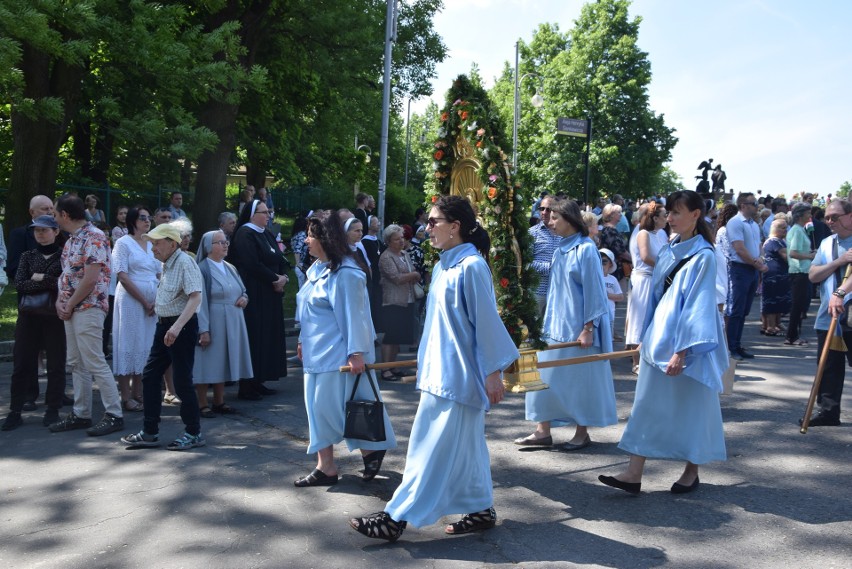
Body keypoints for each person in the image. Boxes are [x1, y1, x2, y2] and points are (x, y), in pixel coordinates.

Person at [350, 195, 519, 541]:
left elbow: (485, 323)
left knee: (428, 449)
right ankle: (481, 507)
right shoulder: (444, 265)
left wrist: (493, 374)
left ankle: (395, 518)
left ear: (455, 227)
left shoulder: (472, 266)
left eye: (433, 221)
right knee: (468, 447)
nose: (426, 228)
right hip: (438, 373)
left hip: (457, 377)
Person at [599, 190, 727, 495]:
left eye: (677, 213)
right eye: (669, 213)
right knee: (646, 405)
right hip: (658, 340)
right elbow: (657, 300)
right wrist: (646, 336)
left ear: (696, 215)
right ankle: (633, 472)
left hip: (687, 346)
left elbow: (698, 306)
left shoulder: (704, 255)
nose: (670, 218)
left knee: (692, 407)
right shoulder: (670, 248)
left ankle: (691, 469)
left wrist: (682, 351)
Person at [294, 211, 396, 487]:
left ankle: (370, 448)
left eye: (311, 236)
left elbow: (356, 316)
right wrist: (303, 339)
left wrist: (357, 353)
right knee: (317, 412)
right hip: (316, 356)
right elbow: (305, 311)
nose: (306, 241)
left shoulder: (347, 274)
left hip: (337, 355)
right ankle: (325, 466)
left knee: (340, 410)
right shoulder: (316, 269)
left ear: (325, 239)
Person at [514, 197, 616, 450]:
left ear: (569, 220)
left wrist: (588, 328)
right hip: (553, 323)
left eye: (555, 217)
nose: (549, 220)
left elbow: (595, 291)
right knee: (544, 375)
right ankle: (542, 431)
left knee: (581, 380)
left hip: (578, 326)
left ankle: (582, 432)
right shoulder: (561, 248)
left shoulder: (586, 248)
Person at [120, 222, 205, 450]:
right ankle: (149, 432)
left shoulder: (185, 261)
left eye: (156, 243)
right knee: (150, 375)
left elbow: (195, 298)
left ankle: (193, 432)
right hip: (165, 326)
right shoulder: (168, 262)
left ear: (172, 243)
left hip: (181, 327)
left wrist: (176, 328)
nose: (153, 248)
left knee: (182, 380)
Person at [50, 194, 125, 437]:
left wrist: (69, 303)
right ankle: (81, 413)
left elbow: (91, 278)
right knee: (76, 362)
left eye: (54, 212)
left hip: (89, 308)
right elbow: (68, 276)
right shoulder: (72, 239)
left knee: (94, 360)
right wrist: (61, 301)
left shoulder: (95, 236)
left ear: (64, 215)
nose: (53, 217)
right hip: (72, 308)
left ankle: (114, 414)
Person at [1, 216, 66, 431]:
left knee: (56, 365)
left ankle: (52, 409)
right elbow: (20, 284)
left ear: (56, 231)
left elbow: (62, 283)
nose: (40, 234)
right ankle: (15, 411)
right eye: (37, 230)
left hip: (54, 317)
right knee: (21, 364)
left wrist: (40, 279)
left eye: (45, 230)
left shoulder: (64, 256)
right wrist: (45, 280)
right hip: (28, 317)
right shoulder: (27, 255)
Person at [231, 200, 289, 399]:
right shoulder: (245, 234)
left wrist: (283, 277)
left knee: (267, 336)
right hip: (255, 291)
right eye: (264, 212)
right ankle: (246, 385)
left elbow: (279, 258)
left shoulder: (266, 233)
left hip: (270, 292)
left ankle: (259, 379)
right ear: (252, 214)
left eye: (269, 212)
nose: (268, 216)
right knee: (255, 335)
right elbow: (251, 263)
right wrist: (274, 279)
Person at [803, 198, 852, 427]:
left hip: (849, 315)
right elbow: (813, 275)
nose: (830, 221)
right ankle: (828, 412)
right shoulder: (827, 244)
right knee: (828, 365)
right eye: (827, 217)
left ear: (850, 216)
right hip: (828, 315)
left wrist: (841, 292)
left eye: (835, 217)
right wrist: (839, 261)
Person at [193, 231, 252, 417]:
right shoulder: (202, 269)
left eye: (226, 241)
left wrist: (244, 298)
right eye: (220, 242)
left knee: (223, 361)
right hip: (214, 320)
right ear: (209, 246)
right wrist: (203, 329)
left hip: (233, 321)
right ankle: (202, 403)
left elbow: (243, 290)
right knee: (206, 362)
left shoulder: (230, 267)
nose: (225, 245)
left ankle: (219, 401)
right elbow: (199, 301)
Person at [111, 207, 160, 413]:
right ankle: (125, 396)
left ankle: (138, 391)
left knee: (145, 344)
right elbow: (122, 275)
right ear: (132, 220)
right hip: (131, 300)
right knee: (128, 343)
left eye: (149, 218)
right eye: (142, 218)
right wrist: (143, 301)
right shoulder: (123, 243)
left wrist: (156, 300)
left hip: (152, 301)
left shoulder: (152, 243)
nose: (147, 221)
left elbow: (160, 272)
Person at [725, 193, 768, 360]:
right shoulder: (735, 222)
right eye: (753, 203)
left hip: (751, 269)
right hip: (740, 269)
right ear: (743, 205)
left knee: (744, 310)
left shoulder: (754, 225)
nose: (756, 206)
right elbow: (739, 249)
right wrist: (758, 264)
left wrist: (761, 260)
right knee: (736, 310)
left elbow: (758, 246)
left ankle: (737, 344)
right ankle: (731, 347)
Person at [626, 202, 666, 372]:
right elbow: (645, 257)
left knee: (654, 319)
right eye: (664, 215)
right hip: (643, 281)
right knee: (639, 319)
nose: (667, 218)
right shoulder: (643, 233)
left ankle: (649, 356)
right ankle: (636, 361)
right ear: (655, 218)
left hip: (656, 279)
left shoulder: (661, 233)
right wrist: (667, 265)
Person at [378, 224, 420, 381]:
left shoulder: (404, 254)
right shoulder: (386, 257)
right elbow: (396, 278)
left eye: (402, 238)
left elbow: (413, 272)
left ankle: (393, 366)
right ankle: (385, 369)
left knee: (397, 337)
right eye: (397, 239)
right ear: (389, 241)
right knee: (390, 336)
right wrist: (413, 274)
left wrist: (413, 274)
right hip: (393, 301)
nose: (401, 241)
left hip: (407, 299)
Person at [785, 204, 816, 346]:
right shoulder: (797, 230)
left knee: (799, 305)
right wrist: (810, 256)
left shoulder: (799, 230)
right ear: (799, 215)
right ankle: (791, 336)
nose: (810, 216)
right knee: (797, 306)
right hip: (799, 272)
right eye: (807, 213)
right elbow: (793, 253)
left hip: (802, 271)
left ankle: (794, 335)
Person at [529, 194, 561, 314]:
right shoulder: (532, 233)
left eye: (548, 209)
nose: (544, 212)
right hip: (538, 292)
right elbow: (526, 264)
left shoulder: (564, 233)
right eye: (541, 208)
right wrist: (551, 268)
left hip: (559, 292)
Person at [760, 219, 791, 336]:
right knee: (772, 301)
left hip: (780, 275)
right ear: (775, 229)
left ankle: (777, 324)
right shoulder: (773, 241)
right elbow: (786, 256)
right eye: (782, 228)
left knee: (779, 300)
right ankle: (770, 327)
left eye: (785, 227)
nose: (785, 230)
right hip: (773, 275)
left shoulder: (781, 241)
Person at [598, 203, 630, 282]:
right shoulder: (609, 231)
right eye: (618, 212)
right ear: (611, 214)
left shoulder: (611, 229)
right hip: (614, 271)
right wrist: (634, 260)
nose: (621, 215)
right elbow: (620, 252)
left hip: (617, 269)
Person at [600, 248, 624, 339]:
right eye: (599, 261)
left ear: (610, 264)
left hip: (610, 312)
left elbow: (621, 296)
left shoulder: (612, 279)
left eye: (604, 262)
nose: (601, 264)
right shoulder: (593, 277)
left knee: (608, 337)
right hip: (596, 314)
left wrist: (607, 295)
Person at [290, 214, 309, 289]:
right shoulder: (302, 235)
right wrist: (298, 263)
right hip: (301, 265)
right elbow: (297, 250)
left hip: (300, 266)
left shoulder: (295, 235)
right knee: (303, 289)